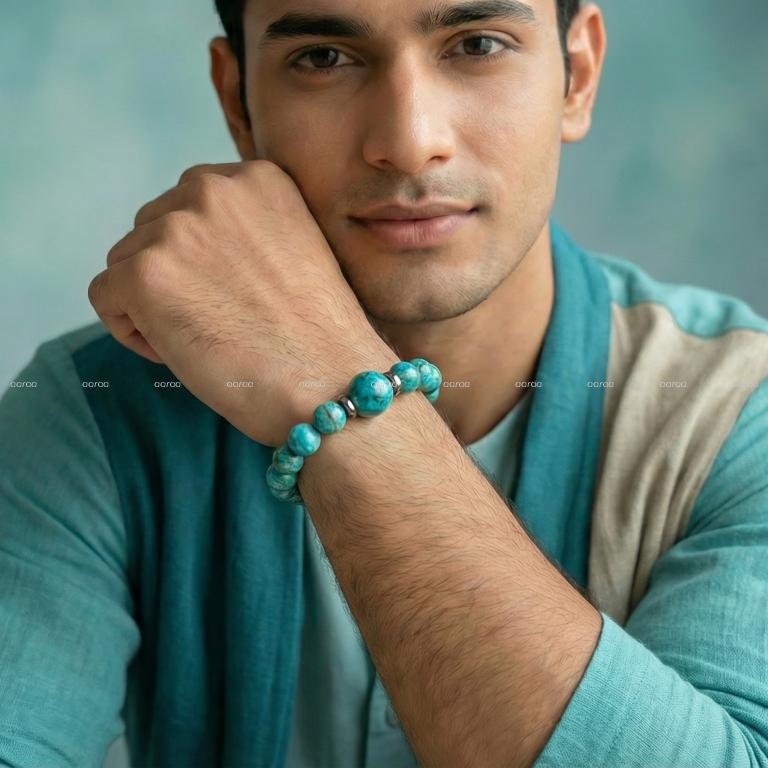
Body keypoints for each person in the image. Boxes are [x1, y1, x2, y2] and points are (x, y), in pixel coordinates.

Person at [1, 0, 767, 766]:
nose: (409, 142)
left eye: (478, 44)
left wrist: (338, 382)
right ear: (237, 100)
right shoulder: (93, 411)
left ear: (580, 76)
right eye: (323, 58)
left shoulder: (736, 412)